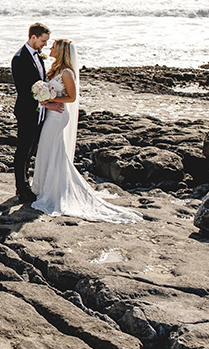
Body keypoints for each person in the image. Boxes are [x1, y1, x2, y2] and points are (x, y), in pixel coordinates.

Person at [31, 38, 141, 223]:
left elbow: (72, 97)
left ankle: (53, 191)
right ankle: (43, 187)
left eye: (53, 47)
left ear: (61, 51)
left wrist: (50, 101)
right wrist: (45, 98)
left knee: (52, 149)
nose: (50, 48)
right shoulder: (55, 69)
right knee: (48, 149)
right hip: (52, 114)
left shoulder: (66, 72)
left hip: (58, 116)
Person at [11, 23, 57, 203]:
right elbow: (23, 90)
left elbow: (40, 82)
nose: (45, 44)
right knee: (23, 151)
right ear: (33, 37)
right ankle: (21, 189)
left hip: (39, 112)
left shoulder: (38, 56)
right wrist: (45, 103)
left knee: (31, 150)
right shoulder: (19, 58)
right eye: (43, 41)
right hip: (26, 111)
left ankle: (27, 184)